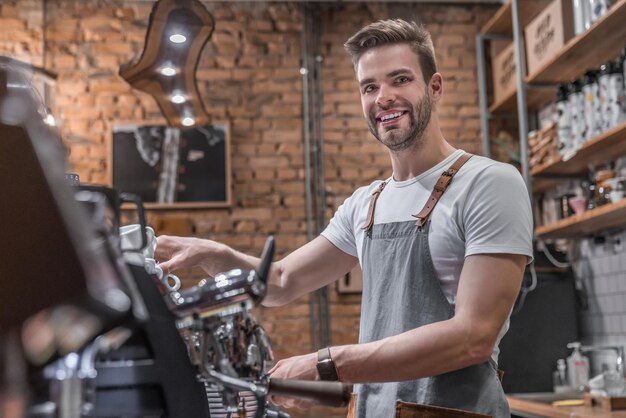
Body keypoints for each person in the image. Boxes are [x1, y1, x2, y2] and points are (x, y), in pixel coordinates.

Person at [155, 19, 533, 418]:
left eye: (400, 80)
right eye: (369, 87)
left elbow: (473, 336)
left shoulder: (488, 183)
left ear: (434, 87)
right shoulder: (366, 203)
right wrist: (208, 252)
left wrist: (327, 363)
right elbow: (281, 281)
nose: (383, 97)